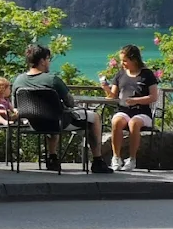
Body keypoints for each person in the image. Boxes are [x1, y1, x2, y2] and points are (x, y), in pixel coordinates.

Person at [12, 43, 109, 174]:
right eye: (48, 60)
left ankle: (52, 158)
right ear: (42, 61)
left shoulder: (19, 80)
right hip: (58, 122)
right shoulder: (52, 80)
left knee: (52, 116)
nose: (49, 63)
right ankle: (97, 161)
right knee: (95, 117)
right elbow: (70, 102)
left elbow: (16, 106)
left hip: (34, 122)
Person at [102, 44, 160, 172]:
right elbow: (114, 96)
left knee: (134, 123)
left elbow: (153, 96)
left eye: (125, 61)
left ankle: (132, 159)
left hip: (142, 111)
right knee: (116, 122)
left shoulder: (147, 75)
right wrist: (106, 88)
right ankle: (116, 157)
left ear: (134, 60)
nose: (122, 64)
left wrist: (136, 101)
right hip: (124, 110)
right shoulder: (120, 74)